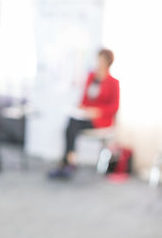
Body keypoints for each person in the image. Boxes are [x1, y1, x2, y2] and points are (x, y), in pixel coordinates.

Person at [49, 49, 120, 179]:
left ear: (108, 62)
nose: (98, 63)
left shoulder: (113, 82)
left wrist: (98, 112)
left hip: (101, 120)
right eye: (98, 59)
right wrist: (81, 108)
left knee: (72, 125)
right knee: (71, 122)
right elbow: (84, 100)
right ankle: (69, 160)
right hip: (85, 116)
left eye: (101, 60)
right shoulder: (91, 77)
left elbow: (115, 107)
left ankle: (68, 162)